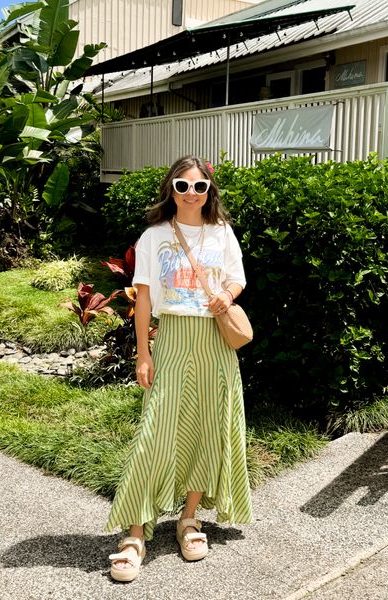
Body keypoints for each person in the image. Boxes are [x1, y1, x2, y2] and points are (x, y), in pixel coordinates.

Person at [107, 155, 252, 582]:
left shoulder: (222, 232)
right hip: (170, 339)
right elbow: (145, 300)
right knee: (156, 432)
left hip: (214, 344)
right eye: (182, 186)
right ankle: (135, 533)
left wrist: (227, 295)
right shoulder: (153, 236)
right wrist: (143, 352)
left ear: (210, 191)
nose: (191, 194)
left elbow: (237, 278)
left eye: (199, 187)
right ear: (171, 189)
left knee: (206, 427)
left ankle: (189, 519)